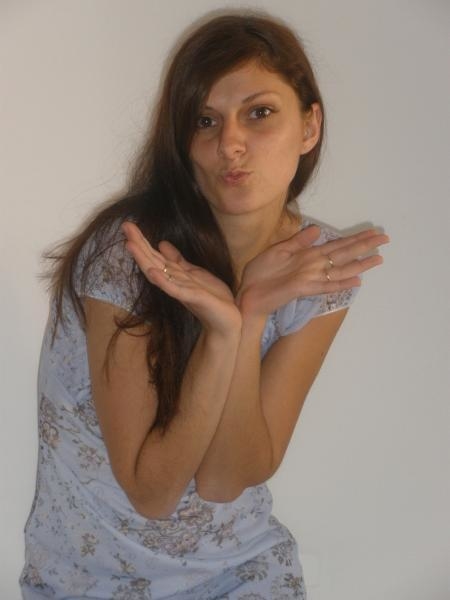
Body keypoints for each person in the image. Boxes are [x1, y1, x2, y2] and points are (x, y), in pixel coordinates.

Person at [19, 10, 389, 600]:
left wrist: (250, 316)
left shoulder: (318, 271)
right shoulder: (133, 255)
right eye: (205, 120)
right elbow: (152, 492)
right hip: (92, 583)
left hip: (241, 572)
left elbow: (223, 481)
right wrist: (223, 330)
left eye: (259, 113)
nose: (230, 144)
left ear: (309, 126)